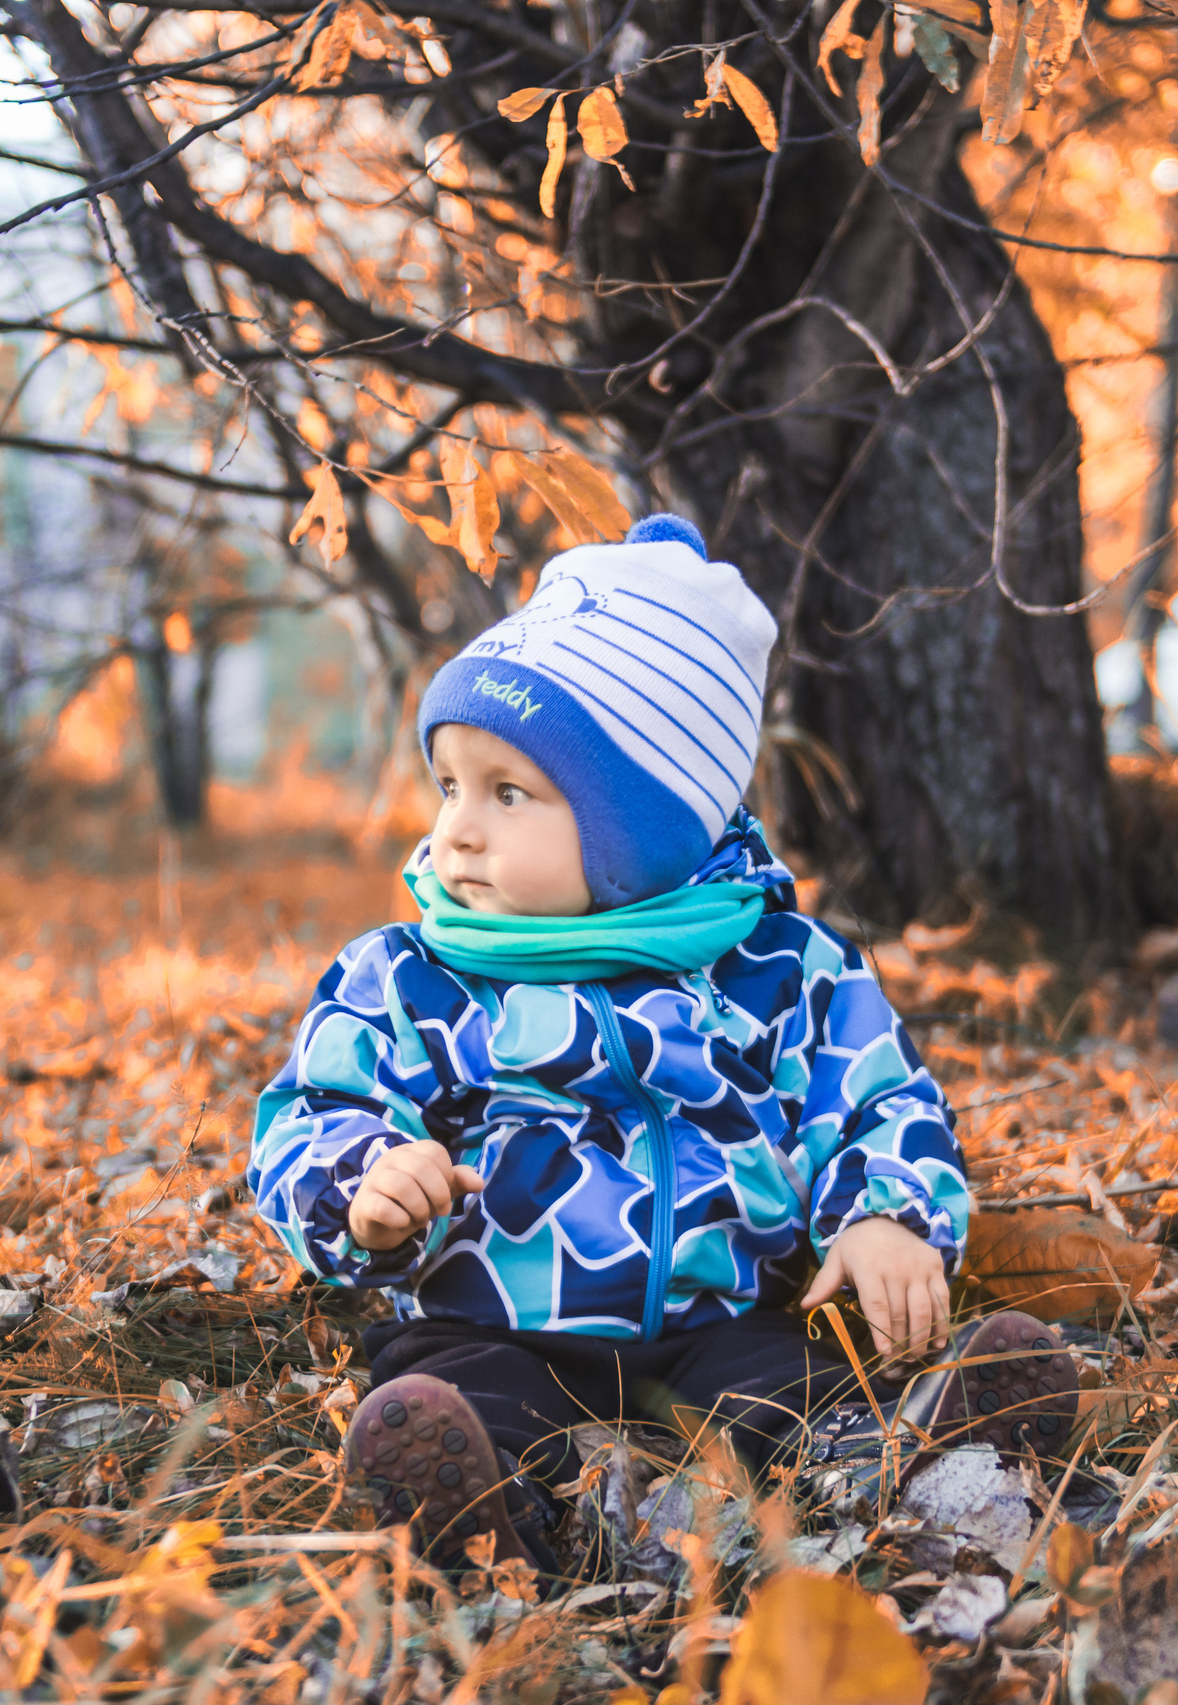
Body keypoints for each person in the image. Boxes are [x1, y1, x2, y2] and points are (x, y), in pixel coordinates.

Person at [248, 514, 1078, 1566]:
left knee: (793, 1393)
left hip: (715, 1319)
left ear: (640, 836)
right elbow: (315, 1110)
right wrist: (366, 1183)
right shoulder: (410, 977)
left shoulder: (777, 966)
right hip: (494, 1318)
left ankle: (936, 1462)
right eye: (450, 784)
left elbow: (873, 1098)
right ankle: (480, 1520)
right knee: (449, 1395)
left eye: (510, 794)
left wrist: (885, 1216)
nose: (455, 828)